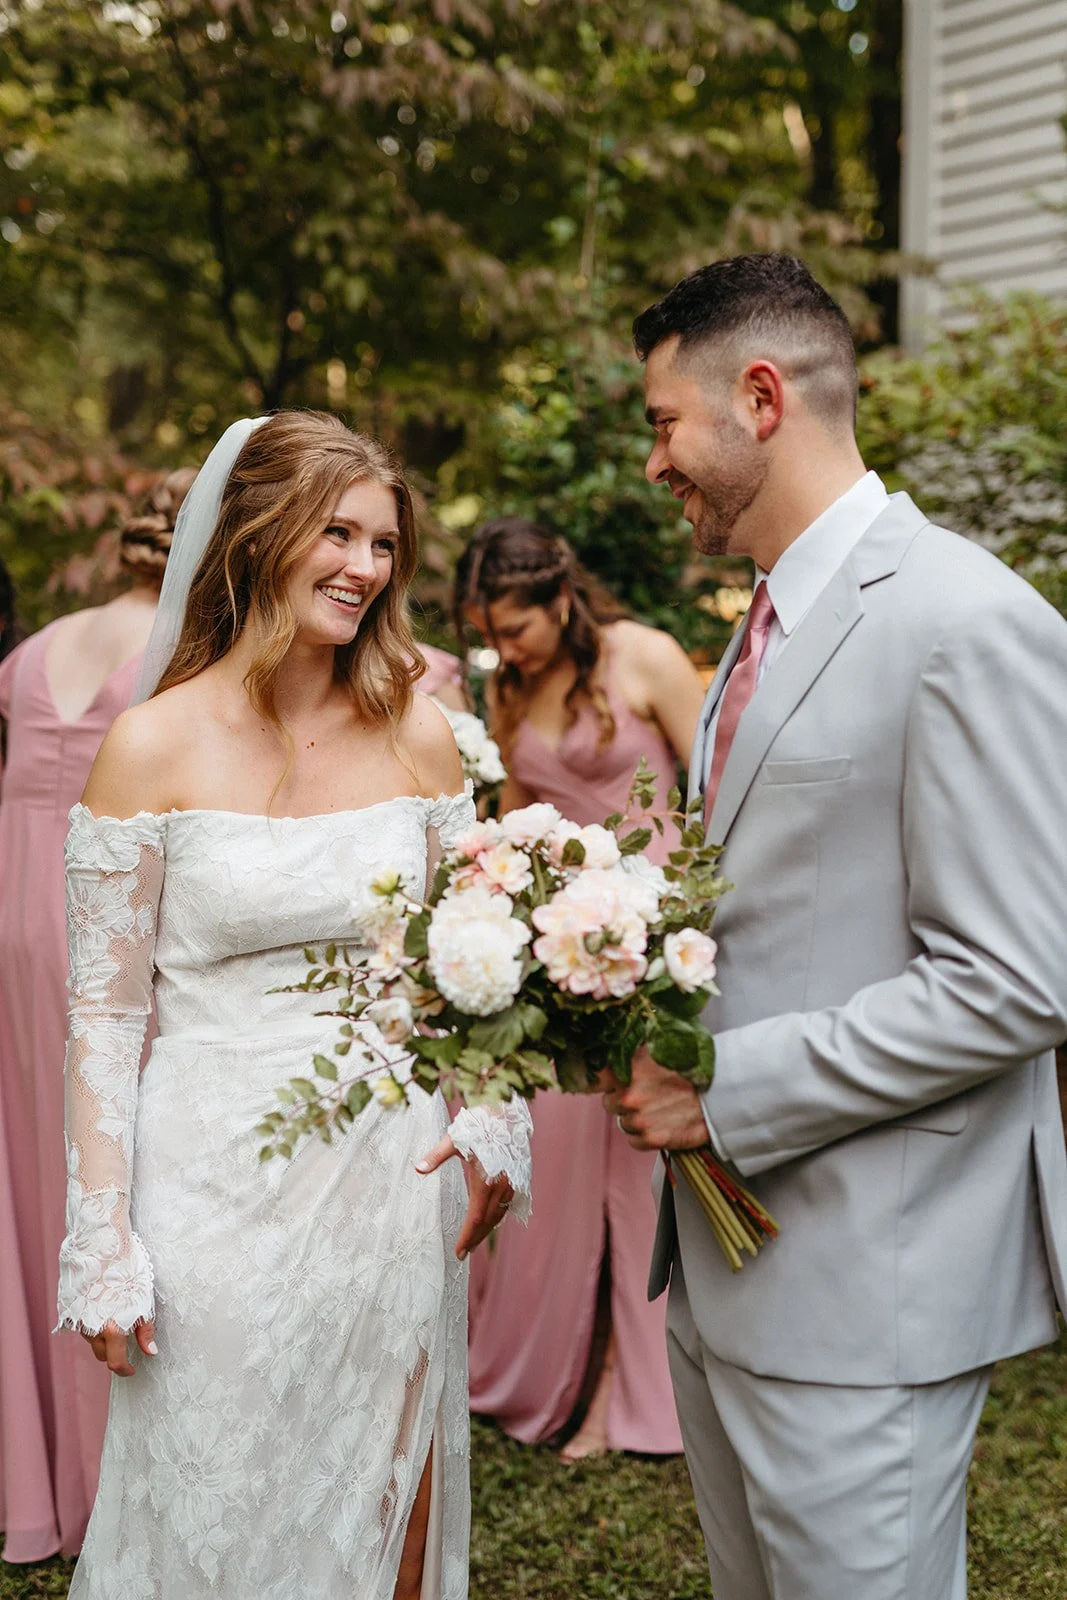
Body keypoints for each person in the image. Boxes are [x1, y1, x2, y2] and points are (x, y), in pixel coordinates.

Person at [603, 253, 1067, 1599]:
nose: (652, 464)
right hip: (724, 1272)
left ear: (756, 398)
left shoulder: (961, 621)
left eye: (658, 424)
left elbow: (1016, 978)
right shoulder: (760, 625)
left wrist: (721, 1090)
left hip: (870, 1286)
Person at [55, 412, 532, 1600]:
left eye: (382, 542)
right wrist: (103, 1234)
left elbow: (464, 955)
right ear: (257, 534)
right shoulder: (148, 746)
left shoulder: (419, 734)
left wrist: (486, 1111)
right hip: (209, 1181)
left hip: (385, 1171)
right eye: (336, 531)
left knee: (386, 1493)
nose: (365, 567)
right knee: (215, 1500)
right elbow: (106, 1018)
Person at [455, 517, 705, 1460]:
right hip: (562, 947)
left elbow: (715, 787)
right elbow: (517, 811)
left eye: (514, 628)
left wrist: (689, 918)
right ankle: (546, 1364)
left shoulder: (643, 657)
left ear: (561, 599)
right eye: (488, 633)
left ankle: (625, 1391)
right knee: (558, 1164)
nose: (502, 648)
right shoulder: (505, 684)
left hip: (657, 936)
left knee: (641, 1168)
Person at [0, 469, 193, 1563]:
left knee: (31, 1177)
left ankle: (36, 1476)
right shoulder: (179, 654)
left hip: (13, 932)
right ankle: (109, 1475)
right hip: (103, 927)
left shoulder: (33, 651)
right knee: (117, 1169)